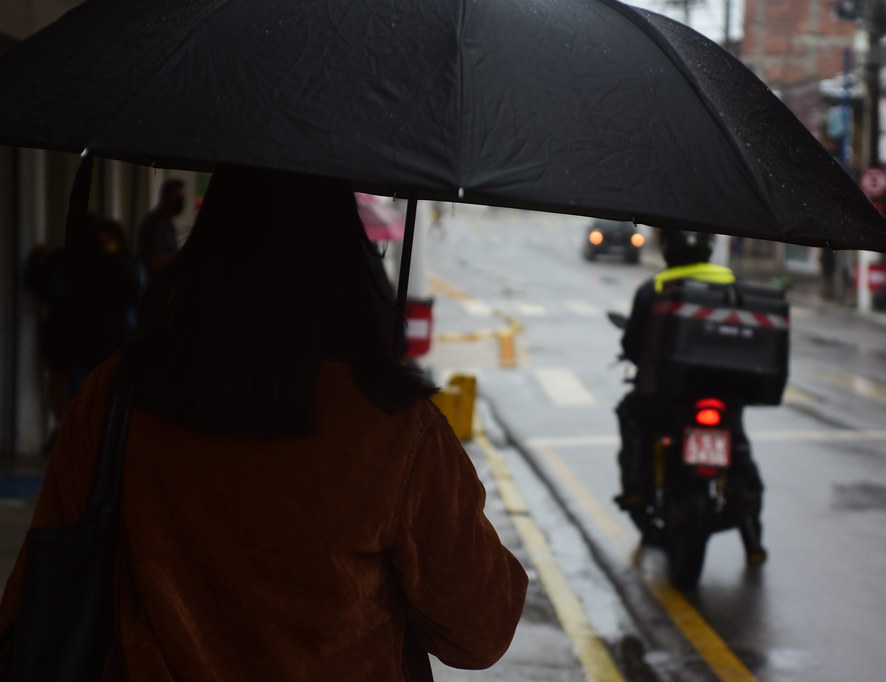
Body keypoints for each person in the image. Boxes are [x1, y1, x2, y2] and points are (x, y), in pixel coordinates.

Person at [1, 165, 527, 680]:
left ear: (207, 247)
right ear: (347, 261)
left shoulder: (116, 396)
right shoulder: (393, 431)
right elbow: (479, 632)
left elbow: (36, 594)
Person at [615, 229, 766, 562]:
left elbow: (631, 346)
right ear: (710, 250)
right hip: (726, 394)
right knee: (738, 454)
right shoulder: (734, 282)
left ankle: (635, 489)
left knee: (631, 416)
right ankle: (753, 542)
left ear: (667, 249)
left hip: (665, 396)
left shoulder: (653, 288)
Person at [25, 212, 140, 450]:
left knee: (69, 389)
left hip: (68, 338)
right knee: (98, 391)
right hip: (104, 339)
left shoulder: (62, 259)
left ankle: (68, 433)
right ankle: (92, 437)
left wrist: (36, 258)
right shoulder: (111, 263)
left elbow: (36, 282)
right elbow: (131, 293)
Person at [136, 177, 185, 281]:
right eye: (177, 198)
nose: (181, 202)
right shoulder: (155, 224)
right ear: (166, 197)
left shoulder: (168, 224)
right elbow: (153, 261)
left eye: (182, 198)